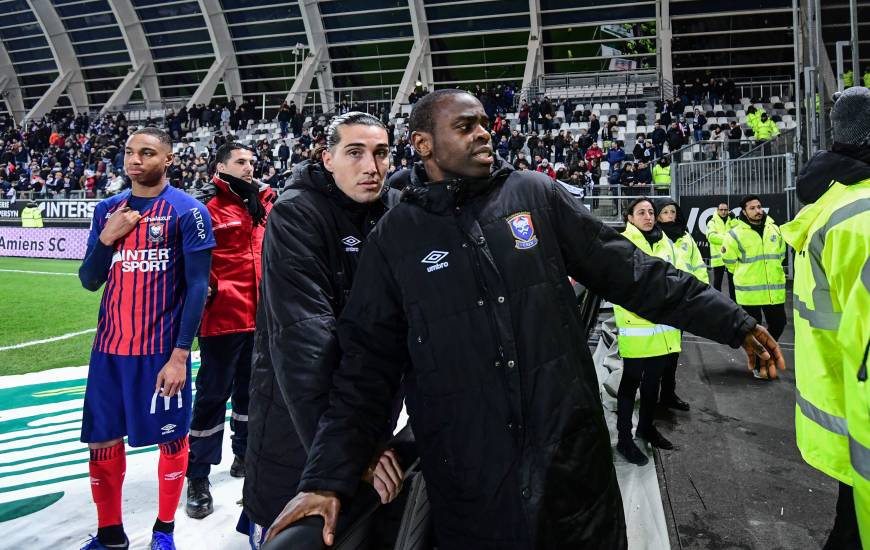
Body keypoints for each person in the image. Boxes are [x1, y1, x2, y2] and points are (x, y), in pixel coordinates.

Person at [264, 90, 784, 549]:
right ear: (424, 145)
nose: (483, 133)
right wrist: (326, 478)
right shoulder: (395, 240)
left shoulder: (535, 195)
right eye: (464, 126)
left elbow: (633, 272)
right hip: (472, 485)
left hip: (571, 467)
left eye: (484, 123)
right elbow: (365, 369)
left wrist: (733, 322)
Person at [240, 112, 403, 549]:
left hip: (361, 428)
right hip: (296, 431)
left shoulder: (395, 211)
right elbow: (305, 344)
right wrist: (346, 457)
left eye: (381, 153)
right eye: (355, 152)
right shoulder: (296, 214)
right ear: (327, 158)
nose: (371, 166)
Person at [77, 127, 215, 550]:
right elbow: (88, 279)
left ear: (168, 159)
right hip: (109, 352)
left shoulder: (188, 212)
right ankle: (110, 535)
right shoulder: (107, 210)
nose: (135, 160)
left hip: (158, 354)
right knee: (102, 440)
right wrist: (106, 237)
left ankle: (164, 530)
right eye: (129, 152)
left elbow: (197, 288)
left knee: (171, 439)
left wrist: (179, 356)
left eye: (147, 152)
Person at [781, 86, 870, 550]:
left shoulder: (834, 206)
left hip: (842, 405)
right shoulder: (863, 216)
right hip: (859, 408)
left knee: (848, 526)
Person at [184, 143, 275, 519]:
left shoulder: (265, 203)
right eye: (241, 162)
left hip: (261, 318)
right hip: (222, 319)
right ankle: (198, 476)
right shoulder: (205, 206)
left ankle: (245, 456)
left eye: (252, 162)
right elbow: (191, 265)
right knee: (211, 397)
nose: (249, 168)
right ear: (221, 166)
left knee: (251, 395)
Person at [613, 198, 680, 465]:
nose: (648, 216)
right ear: (629, 217)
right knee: (631, 383)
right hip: (637, 328)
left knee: (653, 383)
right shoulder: (622, 244)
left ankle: (645, 428)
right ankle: (624, 440)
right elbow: (621, 286)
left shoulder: (666, 243)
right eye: (641, 212)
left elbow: (676, 277)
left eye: (651, 212)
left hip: (663, 328)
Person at [722, 195, 787, 379]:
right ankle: (760, 365)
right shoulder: (735, 233)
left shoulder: (774, 229)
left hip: (773, 290)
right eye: (752, 208)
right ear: (744, 211)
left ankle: (766, 354)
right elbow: (729, 262)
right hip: (749, 292)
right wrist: (747, 275)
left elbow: (780, 254)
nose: (758, 211)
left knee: (779, 323)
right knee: (754, 330)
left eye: (759, 207)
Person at [656, 198, 709, 412]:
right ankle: (652, 397)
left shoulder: (686, 237)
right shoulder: (653, 236)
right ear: (657, 215)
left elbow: (698, 266)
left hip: (681, 303)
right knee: (655, 357)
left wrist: (702, 294)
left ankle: (668, 395)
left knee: (672, 353)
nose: (670, 215)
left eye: (672, 212)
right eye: (666, 212)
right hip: (659, 304)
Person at [707, 202, 737, 301]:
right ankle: (718, 303)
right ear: (717, 210)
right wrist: (729, 238)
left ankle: (734, 304)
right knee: (717, 283)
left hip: (730, 257)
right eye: (721, 210)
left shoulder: (732, 220)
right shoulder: (712, 222)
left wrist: (733, 220)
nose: (723, 212)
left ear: (728, 210)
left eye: (725, 210)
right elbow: (712, 237)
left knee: (732, 282)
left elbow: (738, 233)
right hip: (718, 258)